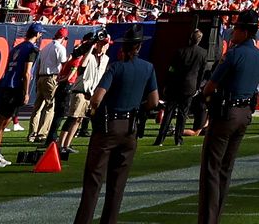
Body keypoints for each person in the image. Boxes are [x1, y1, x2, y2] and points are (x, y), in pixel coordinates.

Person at [73, 29, 158, 224]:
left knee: (93, 182)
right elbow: (154, 101)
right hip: (130, 128)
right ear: (139, 47)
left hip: (109, 126)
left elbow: (96, 98)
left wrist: (94, 112)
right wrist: (138, 108)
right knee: (117, 186)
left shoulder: (115, 67)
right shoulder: (148, 68)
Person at [198, 10, 259, 224]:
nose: (232, 32)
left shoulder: (234, 54)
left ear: (245, 32)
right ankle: (216, 216)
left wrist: (206, 98)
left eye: (236, 28)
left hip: (226, 113)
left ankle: (208, 220)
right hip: (245, 112)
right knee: (226, 169)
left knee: (211, 168)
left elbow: (210, 87)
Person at [0, 25, 40, 167]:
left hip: (8, 84)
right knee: (2, 122)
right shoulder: (31, 49)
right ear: (38, 34)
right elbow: (27, 72)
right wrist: (27, 91)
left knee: (5, 122)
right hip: (15, 86)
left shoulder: (17, 47)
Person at [158, 28, 210, 146]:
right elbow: (202, 72)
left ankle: (160, 138)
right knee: (183, 114)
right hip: (190, 86)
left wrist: (167, 83)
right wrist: (197, 86)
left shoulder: (180, 51)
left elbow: (171, 69)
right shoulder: (203, 53)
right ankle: (178, 139)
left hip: (175, 85)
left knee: (169, 113)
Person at [31, 27, 69, 143]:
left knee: (37, 107)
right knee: (49, 107)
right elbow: (64, 64)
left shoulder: (45, 47)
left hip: (41, 77)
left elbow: (38, 65)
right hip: (51, 77)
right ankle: (42, 134)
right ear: (63, 38)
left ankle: (32, 134)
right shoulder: (60, 48)